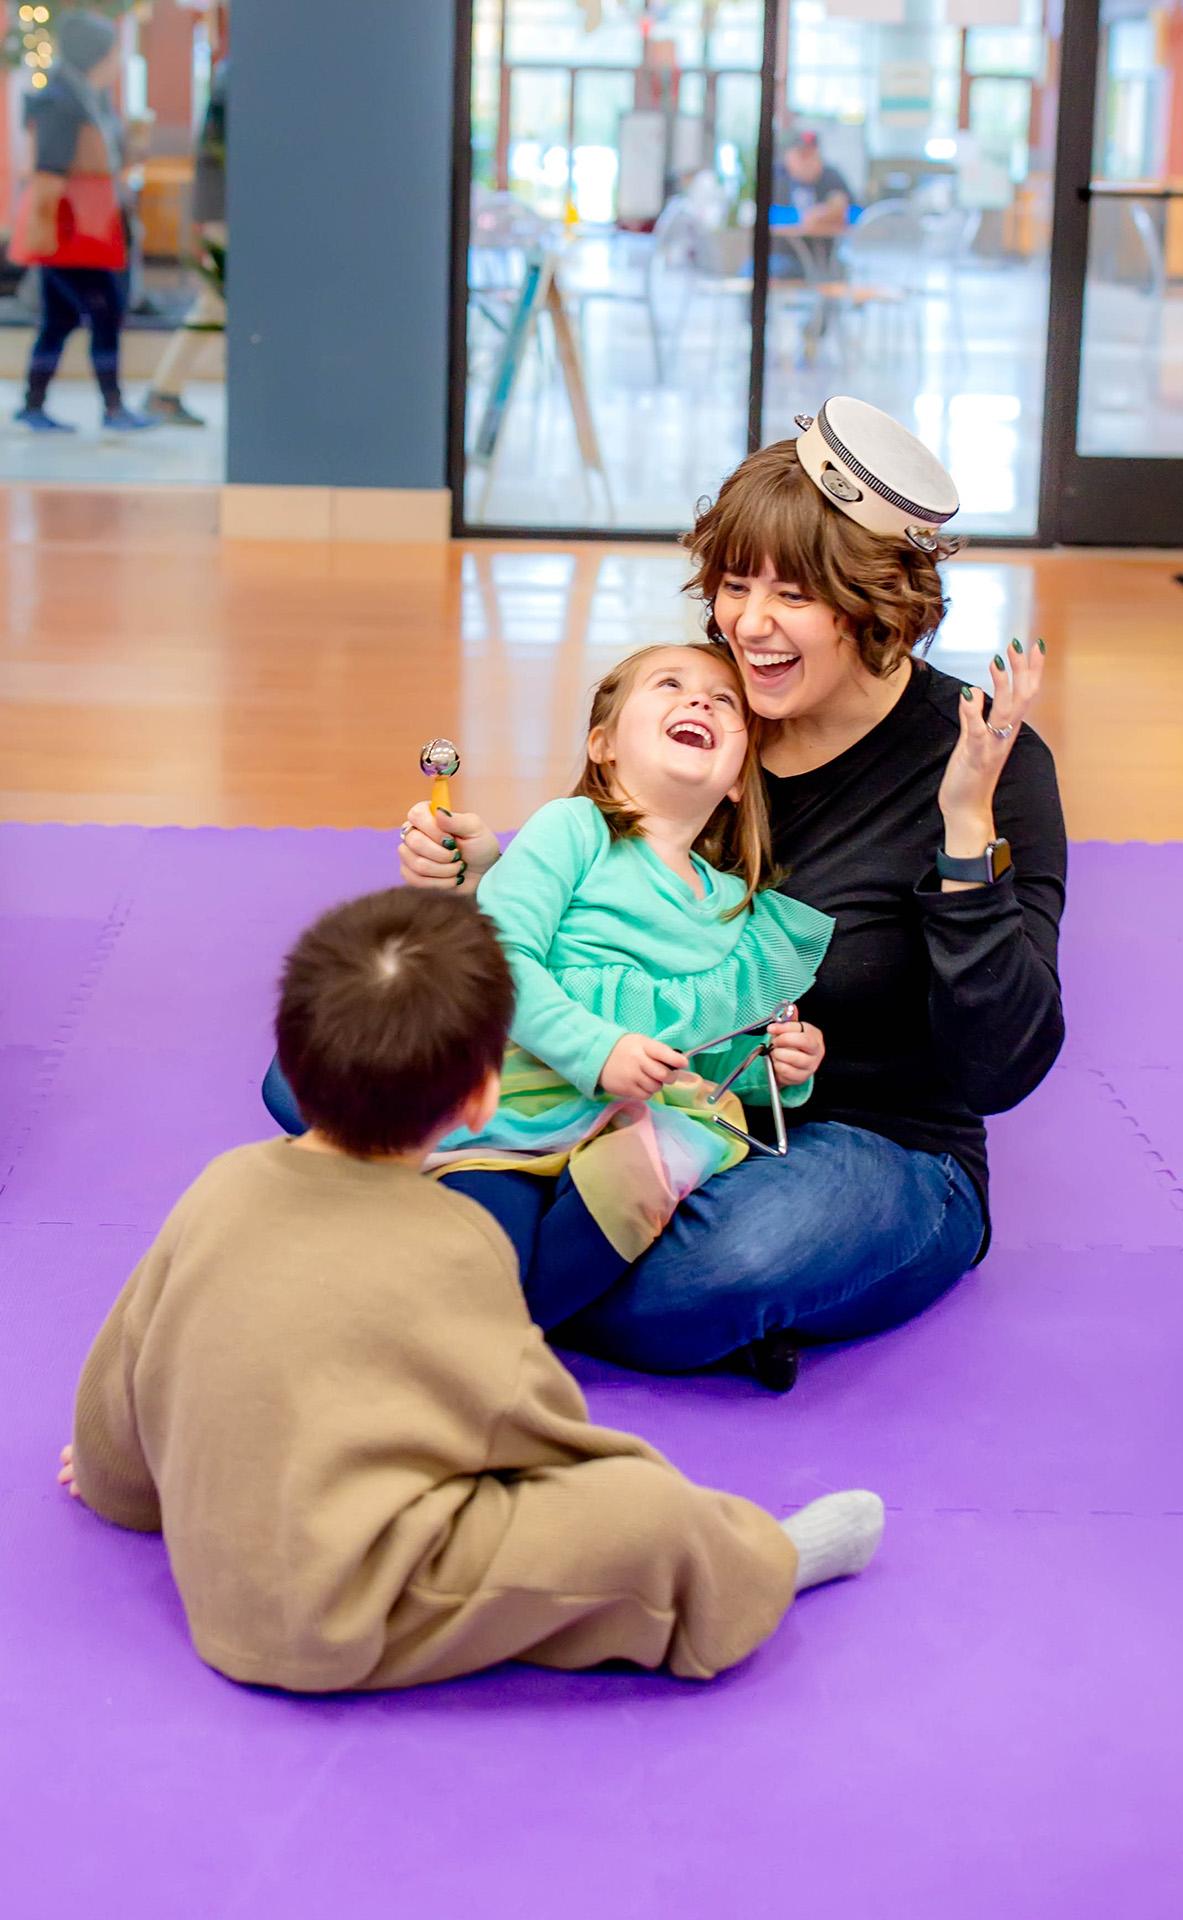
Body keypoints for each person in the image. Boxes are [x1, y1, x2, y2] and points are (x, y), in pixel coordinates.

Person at [59, 889, 884, 1692]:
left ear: (292, 1051)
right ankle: (754, 1567)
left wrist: (114, 1473)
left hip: (217, 1567)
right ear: (483, 1098)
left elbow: (127, 1356)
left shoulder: (222, 1182)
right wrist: (616, 1485)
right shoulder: (456, 1241)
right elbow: (530, 1430)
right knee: (638, 1516)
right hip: (345, 1616)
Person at [399, 396, 1067, 1382]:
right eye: (731, 583)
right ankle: (546, 1265)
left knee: (725, 1267)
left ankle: (460, 1269)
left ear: (872, 601)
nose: (746, 625)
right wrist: (493, 876)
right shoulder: (713, 709)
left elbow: (998, 1071)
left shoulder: (983, 760)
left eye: (791, 594)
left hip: (870, 1145)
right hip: (648, 1103)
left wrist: (965, 835)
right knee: (324, 1066)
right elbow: (606, 894)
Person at [263, 642, 833, 1389]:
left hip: (632, 1130)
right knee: (482, 1246)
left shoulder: (735, 912)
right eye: (671, 685)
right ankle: (422, 1342)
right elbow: (497, 955)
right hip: (518, 1105)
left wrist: (782, 1069)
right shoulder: (574, 832)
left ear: (736, 783)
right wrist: (598, 1050)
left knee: (659, 1163)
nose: (700, 702)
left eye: (724, 701)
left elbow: (712, 1057)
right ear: (604, 746)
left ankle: (462, 1353)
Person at [10, 11, 157, 434]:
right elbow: (50, 171)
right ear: (97, 54)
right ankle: (113, 408)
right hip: (70, 227)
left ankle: (33, 404)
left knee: (59, 318)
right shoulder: (62, 101)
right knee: (105, 311)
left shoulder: (89, 98)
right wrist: (45, 229)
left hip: (89, 221)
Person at [143, 59, 226, 427]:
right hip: (227, 211)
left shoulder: (234, 72)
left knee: (216, 305)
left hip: (225, 209)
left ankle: (165, 390)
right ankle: (164, 391)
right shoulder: (238, 74)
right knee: (216, 304)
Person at [771, 130, 853, 276]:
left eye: (812, 155)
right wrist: (803, 217)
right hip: (785, 254)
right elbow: (765, 213)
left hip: (825, 257)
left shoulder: (832, 178)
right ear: (788, 157)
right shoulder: (777, 178)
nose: (807, 161)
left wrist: (831, 213)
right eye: (802, 155)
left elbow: (860, 213)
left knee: (843, 271)